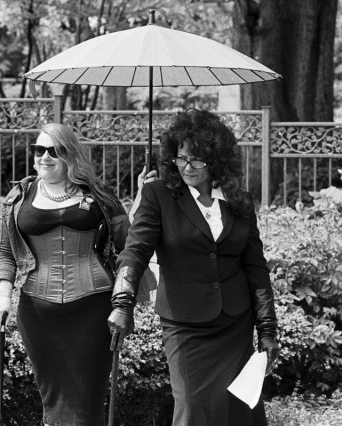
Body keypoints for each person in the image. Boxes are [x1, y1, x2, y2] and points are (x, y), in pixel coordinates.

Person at [108, 109, 279, 426]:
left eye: (197, 160)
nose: (187, 167)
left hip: (234, 323)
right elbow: (135, 250)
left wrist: (267, 331)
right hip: (185, 325)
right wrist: (123, 302)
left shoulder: (238, 199)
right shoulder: (158, 194)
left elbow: (256, 268)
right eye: (181, 158)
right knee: (192, 407)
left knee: (239, 408)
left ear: (216, 160)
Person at [0, 123, 154, 426]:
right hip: (38, 313)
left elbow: (127, 242)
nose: (45, 157)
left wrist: (143, 199)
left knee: (86, 402)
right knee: (53, 399)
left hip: (93, 309)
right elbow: (4, 252)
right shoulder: (19, 196)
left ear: (70, 155)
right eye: (39, 150)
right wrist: (3, 297)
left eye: (55, 151)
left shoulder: (97, 193)